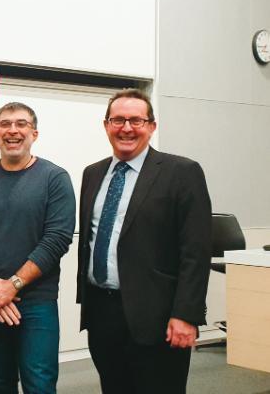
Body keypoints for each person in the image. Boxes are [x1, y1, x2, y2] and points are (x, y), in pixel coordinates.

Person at [77, 90, 211, 394]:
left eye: (136, 120)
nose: (126, 127)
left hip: (159, 317)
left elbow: (196, 251)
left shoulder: (182, 173)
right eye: (118, 120)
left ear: (152, 126)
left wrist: (186, 315)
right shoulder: (92, 174)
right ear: (106, 125)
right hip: (102, 313)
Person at [0, 103, 75, 394]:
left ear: (34, 133)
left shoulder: (54, 178)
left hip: (36, 301)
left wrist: (11, 286)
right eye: (5, 124)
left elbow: (56, 239)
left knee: (39, 383)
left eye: (21, 124)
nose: (13, 130)